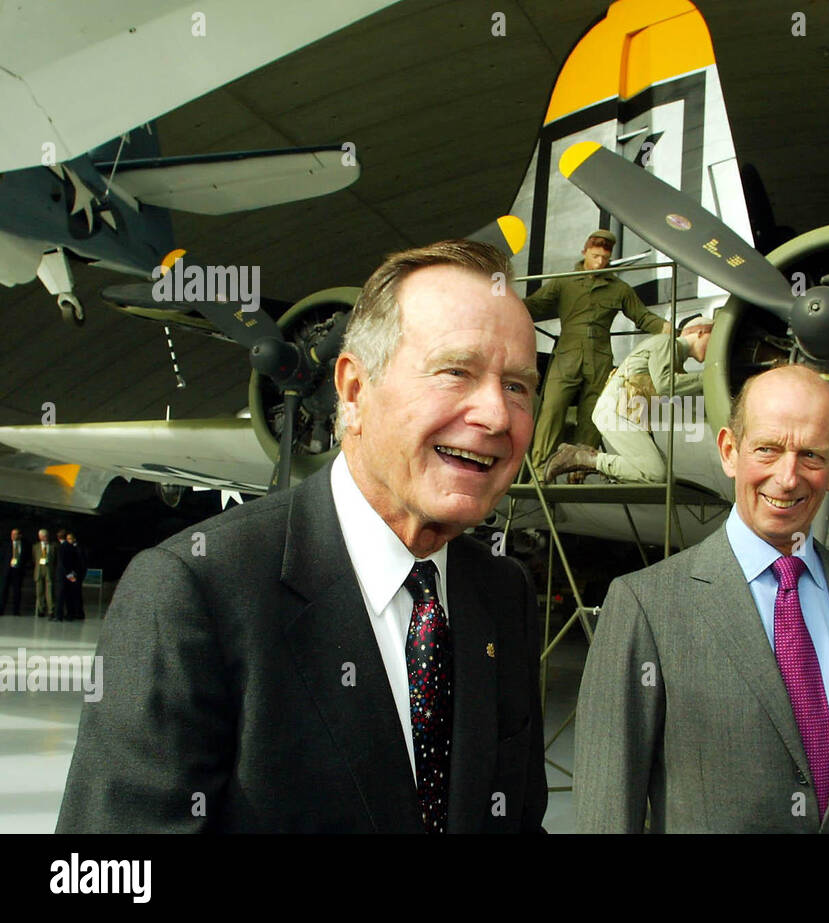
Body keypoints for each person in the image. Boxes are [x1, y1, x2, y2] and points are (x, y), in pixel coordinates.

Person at [57, 239, 548, 833]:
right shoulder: (192, 592)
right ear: (353, 390)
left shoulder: (504, 592)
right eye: (455, 372)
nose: (496, 415)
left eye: (518, 386)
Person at [574, 364, 829, 832]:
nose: (788, 478)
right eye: (767, 449)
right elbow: (607, 809)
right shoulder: (645, 606)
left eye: (811, 455)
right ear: (729, 451)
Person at [524, 229, 669, 473]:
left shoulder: (619, 288)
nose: (599, 262)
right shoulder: (564, 282)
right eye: (595, 256)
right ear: (584, 252)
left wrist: (670, 330)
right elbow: (536, 305)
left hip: (600, 357)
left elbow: (642, 317)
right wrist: (502, 299)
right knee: (552, 411)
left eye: (604, 258)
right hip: (567, 355)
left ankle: (579, 468)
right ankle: (539, 470)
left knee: (592, 415)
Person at [543, 317, 712, 484]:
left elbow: (687, 402)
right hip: (616, 411)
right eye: (712, 340)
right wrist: (708, 377)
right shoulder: (666, 343)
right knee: (657, 474)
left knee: (666, 477)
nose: (713, 349)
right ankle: (584, 458)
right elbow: (665, 385)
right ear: (700, 332)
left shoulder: (675, 363)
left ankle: (591, 461)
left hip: (626, 414)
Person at [59, 531, 86, 621]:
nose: (69, 540)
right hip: (70, 574)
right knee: (70, 594)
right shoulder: (67, 548)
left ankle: (78, 612)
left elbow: (81, 562)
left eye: (70, 538)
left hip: (76, 574)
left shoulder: (78, 548)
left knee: (76, 593)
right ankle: (72, 612)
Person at [0, 528, 26, 615]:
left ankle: (16, 611)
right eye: (12, 534)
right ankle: (1, 609)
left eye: (15, 534)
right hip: (7, 571)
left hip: (18, 571)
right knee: (4, 591)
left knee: (17, 591)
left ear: (19, 535)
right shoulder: (6, 544)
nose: (13, 536)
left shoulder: (24, 545)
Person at [33, 529, 54, 618]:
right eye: (42, 536)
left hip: (48, 569)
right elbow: (34, 558)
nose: (44, 538)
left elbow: (54, 558)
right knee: (39, 591)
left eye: (45, 536)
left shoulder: (52, 546)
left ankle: (51, 610)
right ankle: (40, 609)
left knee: (49, 591)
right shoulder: (35, 546)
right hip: (39, 570)